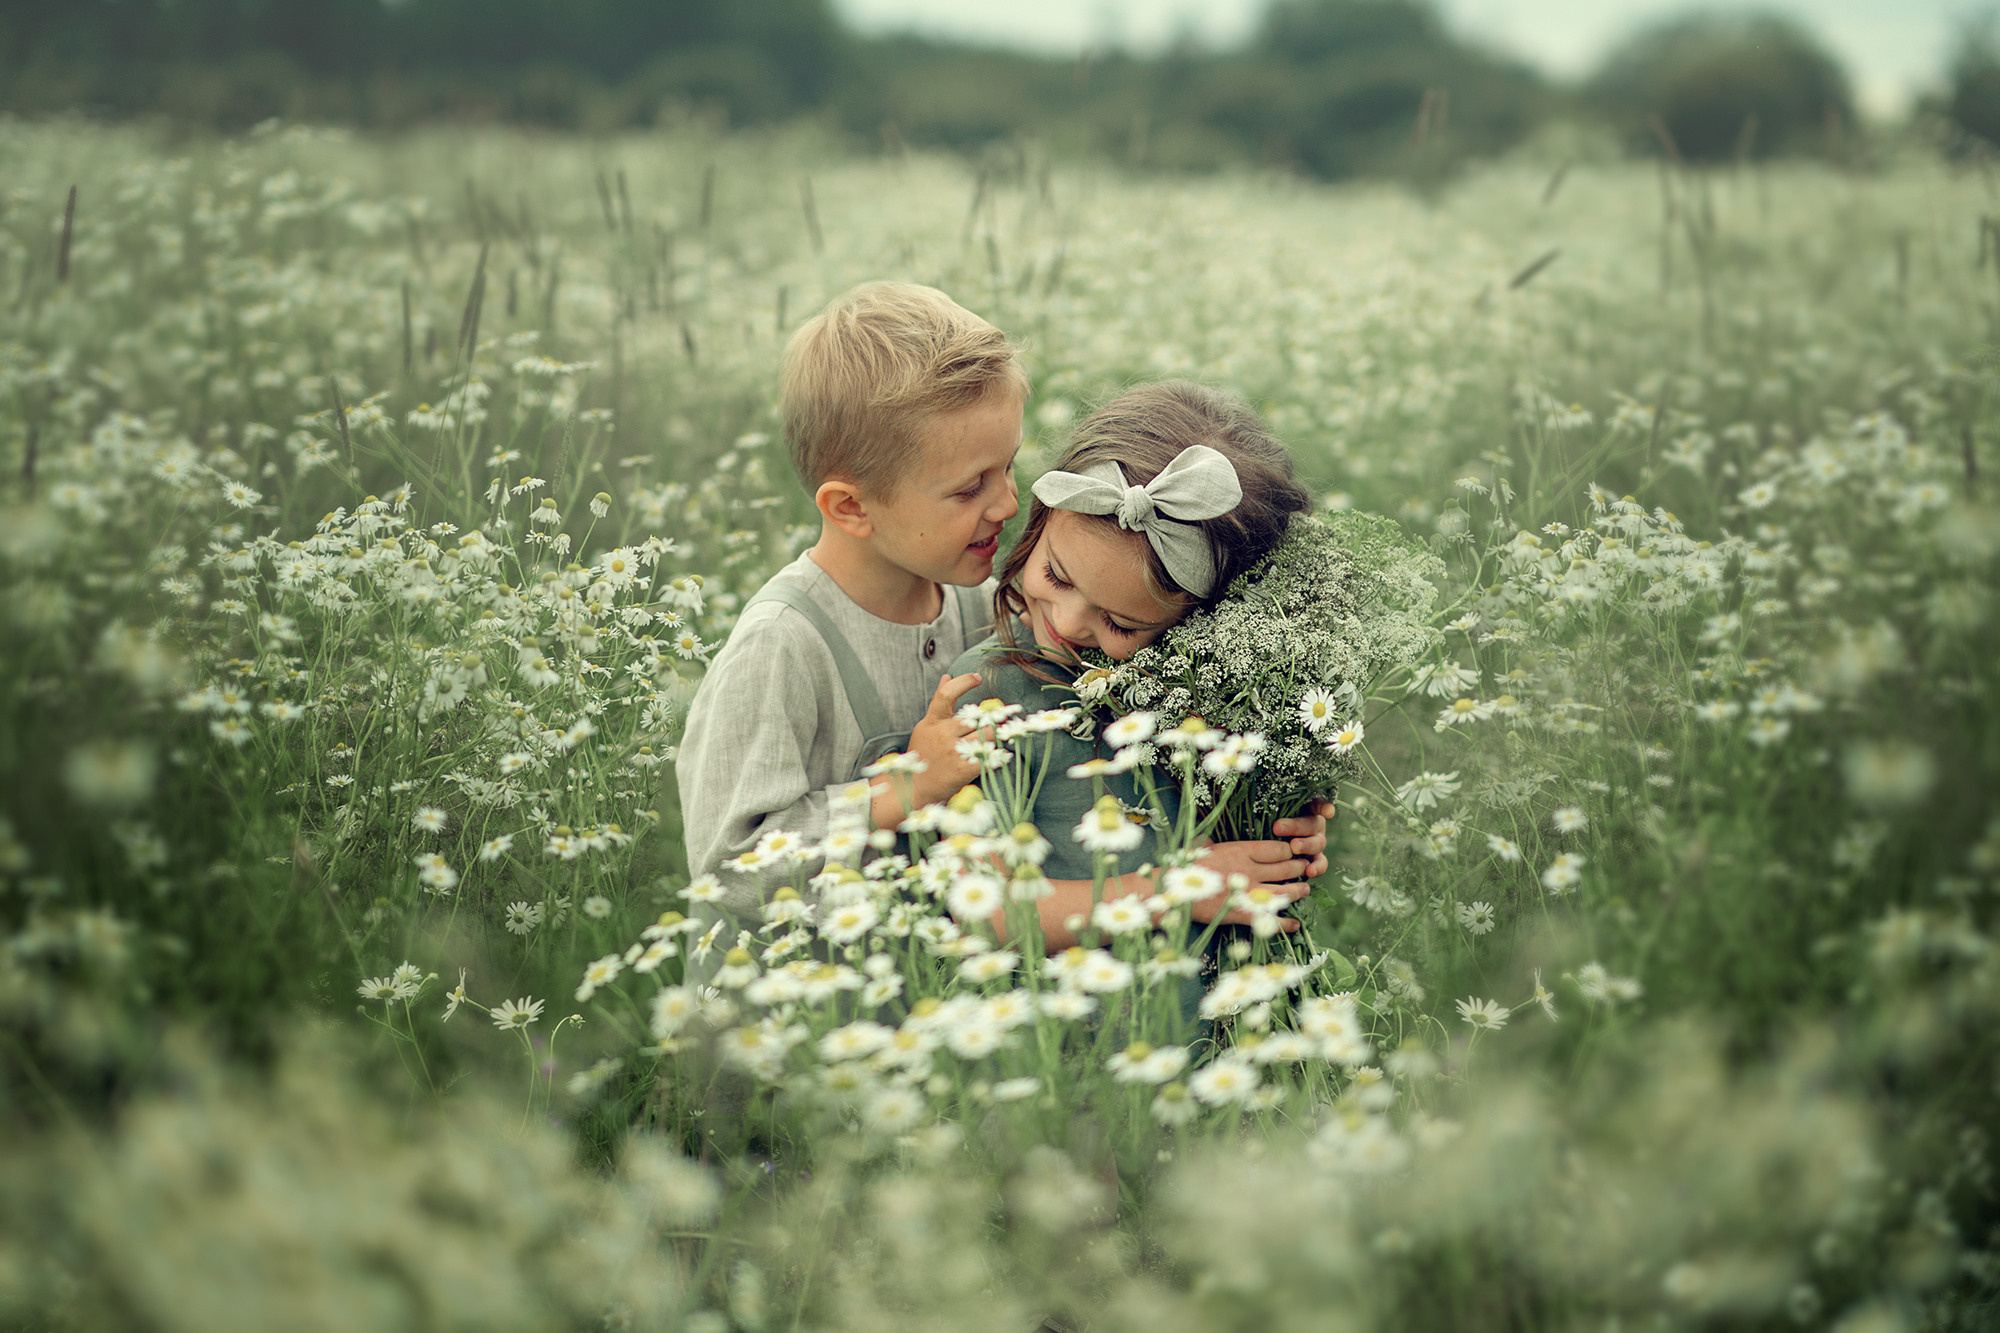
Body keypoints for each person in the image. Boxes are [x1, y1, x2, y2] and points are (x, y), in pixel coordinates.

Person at [677, 281, 1025, 923]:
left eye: (1009, 466)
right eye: (969, 488)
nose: (1007, 502)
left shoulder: (980, 603)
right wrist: (907, 786)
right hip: (797, 982)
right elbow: (728, 870)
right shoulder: (781, 643)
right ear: (851, 508)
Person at [948, 380, 1336, 951]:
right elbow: (982, 913)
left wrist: (1281, 833)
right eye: (1056, 575)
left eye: (1120, 623)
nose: (1068, 623)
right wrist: (1174, 891)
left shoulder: (1220, 694)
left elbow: (1243, 851)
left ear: (1211, 621)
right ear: (1041, 520)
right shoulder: (994, 690)